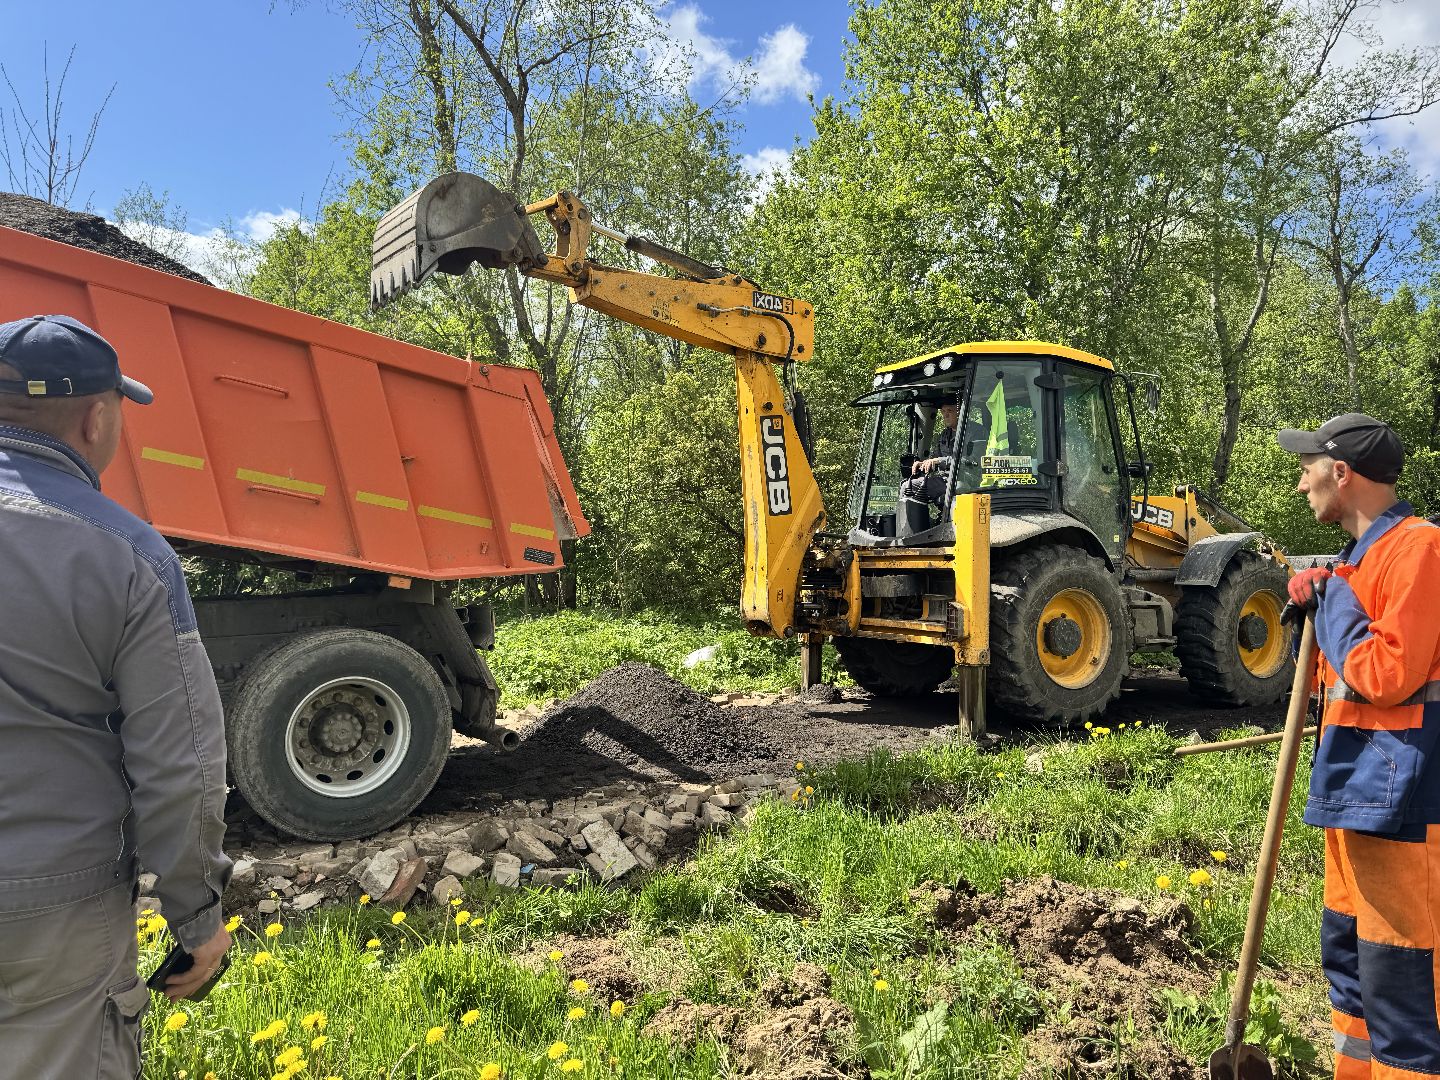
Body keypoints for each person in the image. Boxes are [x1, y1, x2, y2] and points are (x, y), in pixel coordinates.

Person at [0, 315, 232, 1078]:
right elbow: (180, 763)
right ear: (98, 417)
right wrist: (196, 916)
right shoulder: (126, 555)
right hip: (45, 909)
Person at [1279, 411, 1440, 1079]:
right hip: (1353, 791)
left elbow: (1386, 675)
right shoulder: (1357, 560)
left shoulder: (1419, 548)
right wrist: (1317, 610)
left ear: (1341, 473)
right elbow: (1343, 683)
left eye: (1307, 466)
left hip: (1402, 797)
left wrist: (1332, 606)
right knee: (1352, 959)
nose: (1299, 483)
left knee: (1402, 976)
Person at [901, 401, 960, 504]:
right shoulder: (945, 434)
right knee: (906, 483)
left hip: (963, 480)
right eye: (943, 411)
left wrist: (938, 461)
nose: (945, 415)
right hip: (945, 478)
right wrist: (923, 463)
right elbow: (935, 457)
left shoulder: (973, 431)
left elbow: (970, 460)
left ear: (959, 412)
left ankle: (910, 520)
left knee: (908, 486)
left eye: (950, 411)